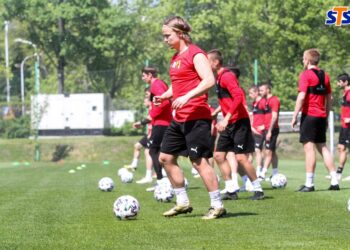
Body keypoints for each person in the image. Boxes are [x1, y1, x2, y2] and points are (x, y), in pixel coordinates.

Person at [156, 16, 226, 220]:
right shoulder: (175, 57)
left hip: (196, 117)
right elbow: (178, 85)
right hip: (179, 119)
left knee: (198, 161)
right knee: (165, 158)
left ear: (179, 33)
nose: (165, 40)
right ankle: (183, 202)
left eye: (167, 35)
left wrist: (186, 97)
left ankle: (217, 205)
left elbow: (209, 80)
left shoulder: (196, 54)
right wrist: (166, 96)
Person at [208, 49, 264, 200]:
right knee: (219, 156)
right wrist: (218, 113)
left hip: (239, 122)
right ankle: (231, 189)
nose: (205, 64)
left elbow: (238, 97)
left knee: (240, 158)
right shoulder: (219, 78)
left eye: (208, 61)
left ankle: (258, 189)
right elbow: (227, 100)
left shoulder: (227, 76)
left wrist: (226, 118)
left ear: (215, 62)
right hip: (229, 122)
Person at [291, 48, 339, 192]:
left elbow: (301, 96)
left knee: (309, 148)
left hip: (309, 115)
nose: (303, 61)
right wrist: (327, 114)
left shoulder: (306, 75)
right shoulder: (325, 75)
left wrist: (294, 115)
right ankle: (335, 180)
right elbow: (329, 97)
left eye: (304, 59)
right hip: (321, 116)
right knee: (322, 147)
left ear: (308, 60)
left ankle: (309, 183)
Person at [141, 66, 172, 189]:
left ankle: (161, 181)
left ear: (149, 75)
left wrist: (151, 116)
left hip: (162, 123)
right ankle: (165, 180)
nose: (142, 78)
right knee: (159, 151)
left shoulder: (156, 84)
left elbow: (164, 102)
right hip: (160, 122)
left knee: (153, 150)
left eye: (143, 75)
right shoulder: (157, 84)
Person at [258, 83, 280, 180]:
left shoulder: (274, 100)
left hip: (272, 129)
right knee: (272, 151)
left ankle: (263, 173)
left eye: (262, 90)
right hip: (267, 129)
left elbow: (274, 116)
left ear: (268, 90)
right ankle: (275, 173)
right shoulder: (265, 101)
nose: (260, 92)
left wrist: (270, 131)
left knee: (268, 151)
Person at [334, 73, 350, 180]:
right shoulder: (345, 93)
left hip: (349, 126)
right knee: (341, 148)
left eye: (339, 81)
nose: (337, 83)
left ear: (346, 82)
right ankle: (338, 174)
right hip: (344, 126)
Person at [248, 85, 266, 177]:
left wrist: (264, 126)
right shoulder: (254, 103)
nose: (249, 95)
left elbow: (269, 115)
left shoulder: (263, 102)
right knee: (253, 151)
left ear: (256, 92)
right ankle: (250, 170)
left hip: (259, 131)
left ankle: (258, 172)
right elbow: (253, 116)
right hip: (253, 130)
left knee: (257, 150)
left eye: (251, 93)